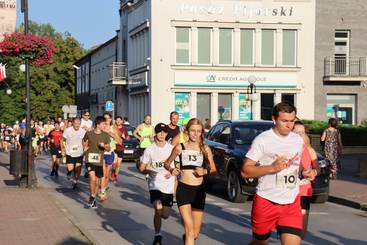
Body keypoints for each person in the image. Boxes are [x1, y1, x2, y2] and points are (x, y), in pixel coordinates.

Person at [241, 102, 305, 245]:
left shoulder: (297, 140)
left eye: (292, 121)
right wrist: (271, 168)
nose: (289, 125)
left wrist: (305, 172)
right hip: (266, 200)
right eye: (284, 121)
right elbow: (245, 171)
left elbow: (297, 166)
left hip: (291, 202)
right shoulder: (263, 140)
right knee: (259, 242)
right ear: (274, 119)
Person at [164, 118, 217, 245]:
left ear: (202, 133)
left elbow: (214, 170)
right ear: (187, 131)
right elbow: (166, 163)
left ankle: (187, 240)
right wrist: (172, 170)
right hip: (183, 190)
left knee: (195, 233)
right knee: (189, 229)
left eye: (198, 131)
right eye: (193, 131)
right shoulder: (180, 147)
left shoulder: (205, 149)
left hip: (198, 192)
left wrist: (204, 172)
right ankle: (188, 237)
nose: (195, 134)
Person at [138, 123, 175, 245]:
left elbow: (178, 167)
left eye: (164, 132)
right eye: (159, 132)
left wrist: (173, 172)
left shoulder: (171, 149)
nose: (162, 134)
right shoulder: (150, 149)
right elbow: (142, 168)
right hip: (155, 184)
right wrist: (149, 170)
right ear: (156, 134)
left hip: (168, 185)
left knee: (165, 215)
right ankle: (157, 235)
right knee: (158, 208)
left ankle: (159, 228)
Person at [293, 121, 319, 239]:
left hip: (304, 190)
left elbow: (316, 167)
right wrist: (302, 171)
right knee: (289, 230)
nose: (300, 135)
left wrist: (314, 172)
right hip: (288, 191)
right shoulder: (286, 149)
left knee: (301, 232)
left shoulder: (309, 149)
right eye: (296, 132)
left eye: (302, 133)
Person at [83, 116, 110, 208]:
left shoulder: (105, 135)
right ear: (98, 125)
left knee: (97, 182)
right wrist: (85, 147)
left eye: (105, 124)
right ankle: (92, 197)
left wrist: (104, 146)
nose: (104, 126)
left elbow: (108, 148)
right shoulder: (89, 133)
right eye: (103, 124)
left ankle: (94, 197)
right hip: (89, 159)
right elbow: (84, 140)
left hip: (99, 160)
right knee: (92, 178)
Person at [60, 117, 86, 190]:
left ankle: (75, 182)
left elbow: (85, 141)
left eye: (79, 123)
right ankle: (69, 172)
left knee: (78, 168)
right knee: (70, 168)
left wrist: (85, 149)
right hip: (69, 152)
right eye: (76, 123)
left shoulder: (83, 131)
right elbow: (62, 139)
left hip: (79, 152)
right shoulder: (68, 130)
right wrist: (62, 149)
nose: (77, 125)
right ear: (72, 123)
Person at [112, 116, 129, 183]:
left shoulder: (124, 129)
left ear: (122, 121)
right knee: (114, 163)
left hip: (121, 148)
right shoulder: (113, 128)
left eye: (119, 120)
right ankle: (113, 172)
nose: (118, 121)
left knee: (118, 164)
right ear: (115, 121)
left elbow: (128, 138)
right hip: (114, 147)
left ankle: (115, 176)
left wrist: (125, 137)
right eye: (117, 120)